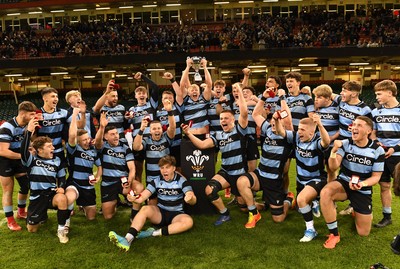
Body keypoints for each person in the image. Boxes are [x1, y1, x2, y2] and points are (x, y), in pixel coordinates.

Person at [182, 82, 248, 226]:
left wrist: (240, 92)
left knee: (244, 207)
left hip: (240, 173)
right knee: (209, 190)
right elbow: (202, 145)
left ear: (233, 120)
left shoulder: (239, 130)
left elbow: (244, 112)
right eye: (221, 119)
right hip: (225, 172)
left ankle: (259, 207)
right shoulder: (217, 135)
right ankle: (225, 214)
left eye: (226, 118)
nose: (223, 121)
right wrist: (188, 133)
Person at [320, 116, 385, 249]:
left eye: (359, 125)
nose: (354, 128)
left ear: (369, 131)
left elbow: (376, 177)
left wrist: (362, 184)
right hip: (343, 183)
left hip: (362, 188)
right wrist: (333, 151)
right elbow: (333, 167)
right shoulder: (345, 144)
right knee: (326, 192)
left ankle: (356, 209)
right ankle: (334, 234)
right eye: (353, 125)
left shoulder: (378, 150)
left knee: (363, 233)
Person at [108, 156, 196, 252]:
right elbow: (142, 196)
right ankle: (127, 239)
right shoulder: (156, 181)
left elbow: (192, 198)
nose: (164, 171)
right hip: (160, 213)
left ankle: (153, 233)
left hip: (177, 214)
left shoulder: (181, 181)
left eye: (167, 167)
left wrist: (190, 198)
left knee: (188, 222)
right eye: (162, 168)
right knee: (145, 209)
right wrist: (134, 199)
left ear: (174, 168)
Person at [236, 88, 294, 228]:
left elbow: (287, 119)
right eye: (272, 122)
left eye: (277, 122)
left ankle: (288, 200)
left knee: (278, 219)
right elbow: (255, 114)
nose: (274, 125)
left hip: (274, 181)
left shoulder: (288, 136)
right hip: (260, 175)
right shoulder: (267, 129)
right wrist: (263, 97)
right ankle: (254, 212)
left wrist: (282, 98)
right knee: (242, 182)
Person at [276, 115, 330, 242]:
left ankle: (311, 230)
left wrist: (320, 125)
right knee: (300, 209)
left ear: (312, 132)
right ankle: (314, 201)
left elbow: (326, 142)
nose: (299, 132)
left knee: (301, 200)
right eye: (299, 129)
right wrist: (276, 120)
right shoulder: (296, 137)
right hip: (301, 180)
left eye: (303, 130)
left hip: (316, 178)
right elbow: (280, 132)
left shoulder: (317, 141)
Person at [21, 116, 69, 243]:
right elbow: (23, 151)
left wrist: (62, 187)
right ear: (40, 150)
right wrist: (28, 132)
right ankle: (40, 216)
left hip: (51, 195)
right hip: (37, 197)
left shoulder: (57, 161)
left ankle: (61, 230)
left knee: (62, 199)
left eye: (52, 146)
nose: (53, 148)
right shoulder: (31, 160)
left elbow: (62, 177)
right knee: (32, 229)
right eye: (49, 146)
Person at [94, 112, 143, 220]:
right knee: (108, 216)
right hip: (108, 183)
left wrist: (128, 184)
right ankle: (115, 201)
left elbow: (132, 169)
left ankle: (134, 216)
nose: (116, 136)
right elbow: (97, 142)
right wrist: (102, 127)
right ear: (106, 137)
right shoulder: (103, 147)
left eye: (116, 133)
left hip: (123, 180)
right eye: (112, 134)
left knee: (139, 188)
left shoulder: (125, 148)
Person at [334, 80, 372, 216]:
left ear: (354, 93)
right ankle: (332, 198)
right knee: (336, 168)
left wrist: (368, 147)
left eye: (345, 90)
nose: (341, 93)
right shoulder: (341, 100)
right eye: (342, 90)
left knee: (357, 172)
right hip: (341, 143)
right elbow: (329, 94)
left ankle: (355, 204)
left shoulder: (365, 109)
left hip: (356, 144)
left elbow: (370, 129)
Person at [0, 101, 37, 231]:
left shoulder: (27, 125)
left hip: (18, 157)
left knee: (26, 185)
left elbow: (26, 142)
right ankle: (10, 221)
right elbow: (3, 151)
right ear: (22, 113)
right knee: (8, 190)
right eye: (31, 114)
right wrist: (24, 156)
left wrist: (31, 148)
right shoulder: (7, 127)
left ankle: (21, 211)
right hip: (5, 160)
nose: (34, 117)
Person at [133, 98, 176, 205]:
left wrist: (170, 112)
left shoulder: (166, 138)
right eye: (154, 129)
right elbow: (136, 147)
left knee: (167, 204)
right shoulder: (146, 140)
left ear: (162, 129)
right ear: (150, 131)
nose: (157, 130)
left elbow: (173, 127)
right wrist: (141, 129)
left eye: (159, 128)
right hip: (151, 179)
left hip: (166, 177)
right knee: (152, 206)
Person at [65, 107, 102, 226]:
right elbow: (71, 136)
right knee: (69, 198)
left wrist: (98, 176)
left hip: (88, 186)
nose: (87, 141)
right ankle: (65, 223)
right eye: (84, 140)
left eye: (88, 138)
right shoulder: (74, 149)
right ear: (78, 142)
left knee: (91, 218)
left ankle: (82, 205)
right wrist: (75, 115)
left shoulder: (92, 151)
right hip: (74, 183)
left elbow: (100, 166)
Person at [370, 80, 400, 228]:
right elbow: (373, 133)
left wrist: (395, 148)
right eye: (376, 94)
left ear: (390, 92)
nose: (377, 97)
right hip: (382, 154)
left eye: (379, 94)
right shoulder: (375, 111)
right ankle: (387, 216)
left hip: (398, 155)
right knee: (384, 185)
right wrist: (377, 143)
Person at [127, 72, 159, 183]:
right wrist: (127, 118)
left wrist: (143, 77)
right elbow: (127, 125)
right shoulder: (132, 109)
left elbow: (155, 87)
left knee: (152, 170)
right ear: (135, 96)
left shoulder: (152, 105)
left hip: (151, 142)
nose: (141, 94)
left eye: (143, 93)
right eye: (138, 93)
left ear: (146, 95)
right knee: (138, 171)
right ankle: (140, 195)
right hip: (138, 142)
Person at [175, 57, 212, 137]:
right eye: (192, 90)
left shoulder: (204, 99)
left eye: (196, 89)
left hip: (204, 134)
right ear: (188, 93)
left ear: (200, 92)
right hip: (190, 135)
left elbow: (209, 85)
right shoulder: (186, 100)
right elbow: (182, 85)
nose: (194, 91)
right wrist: (187, 67)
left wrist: (205, 67)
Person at [156, 72, 183, 172]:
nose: (168, 100)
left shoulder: (178, 108)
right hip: (164, 145)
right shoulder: (158, 111)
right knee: (165, 168)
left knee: (178, 169)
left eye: (170, 98)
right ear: (162, 100)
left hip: (177, 144)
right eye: (165, 98)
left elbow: (179, 93)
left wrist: (172, 80)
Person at [312, 84, 340, 183]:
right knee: (317, 170)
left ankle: (330, 191)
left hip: (331, 145)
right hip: (318, 144)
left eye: (319, 97)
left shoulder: (337, 108)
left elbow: (342, 127)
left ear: (328, 98)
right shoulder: (316, 108)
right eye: (315, 97)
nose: (316, 100)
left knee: (331, 170)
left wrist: (331, 138)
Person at [36, 87, 68, 164]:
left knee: (61, 175)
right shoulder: (37, 114)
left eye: (57, 96)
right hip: (43, 152)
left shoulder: (64, 113)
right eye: (53, 96)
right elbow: (32, 134)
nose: (56, 99)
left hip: (59, 151)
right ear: (45, 98)